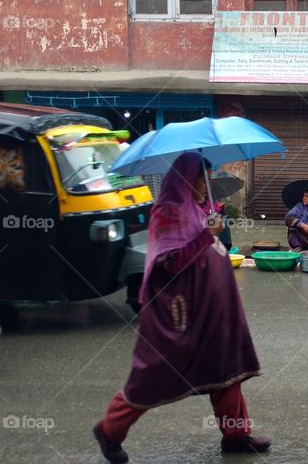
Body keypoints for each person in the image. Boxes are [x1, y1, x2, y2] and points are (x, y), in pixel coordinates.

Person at [93, 153, 269, 464]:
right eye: (203, 178)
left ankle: (236, 434)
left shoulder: (196, 209)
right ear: (186, 179)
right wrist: (207, 234)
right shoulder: (167, 213)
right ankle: (109, 431)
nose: (206, 184)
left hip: (211, 313)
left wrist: (210, 224)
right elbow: (171, 263)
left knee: (226, 369)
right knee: (152, 377)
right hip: (178, 316)